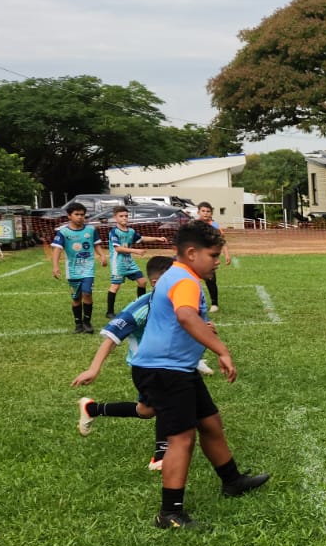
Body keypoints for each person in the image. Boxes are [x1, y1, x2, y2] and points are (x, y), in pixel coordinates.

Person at [129, 220, 268, 529]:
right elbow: (185, 315)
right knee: (181, 438)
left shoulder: (178, 275)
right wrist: (221, 349)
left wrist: (202, 330)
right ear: (191, 253)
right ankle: (170, 513)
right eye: (213, 255)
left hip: (175, 368)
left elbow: (182, 319)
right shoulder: (185, 280)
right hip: (164, 371)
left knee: (210, 422)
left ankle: (232, 481)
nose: (217, 262)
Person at [73, 255, 176, 469]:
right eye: (175, 277)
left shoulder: (175, 302)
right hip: (147, 368)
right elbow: (111, 337)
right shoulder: (143, 306)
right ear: (157, 283)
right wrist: (94, 368)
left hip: (163, 365)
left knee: (146, 411)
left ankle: (92, 409)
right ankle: (160, 456)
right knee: (167, 403)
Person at [51, 204, 99, 333]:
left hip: (88, 267)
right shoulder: (63, 232)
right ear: (69, 216)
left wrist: (102, 256)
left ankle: (87, 322)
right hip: (72, 270)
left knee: (87, 293)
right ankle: (78, 324)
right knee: (76, 298)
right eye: (76, 214)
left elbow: (96, 244)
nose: (80, 217)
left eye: (82, 215)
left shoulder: (91, 230)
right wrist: (55, 266)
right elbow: (57, 250)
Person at [104, 206, 151, 318]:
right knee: (115, 286)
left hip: (129, 262)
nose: (124, 218)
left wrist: (157, 239)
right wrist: (136, 251)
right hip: (118, 263)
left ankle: (140, 306)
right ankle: (109, 312)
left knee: (142, 282)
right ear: (115, 218)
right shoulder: (114, 232)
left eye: (126, 216)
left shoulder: (131, 231)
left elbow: (141, 238)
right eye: (121, 216)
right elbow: (118, 248)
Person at [196, 202, 227, 312]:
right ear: (198, 212)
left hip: (208, 257)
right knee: (192, 279)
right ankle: (194, 303)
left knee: (210, 279)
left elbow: (221, 241)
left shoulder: (215, 226)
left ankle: (214, 304)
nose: (205, 213)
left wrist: (226, 254)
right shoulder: (194, 225)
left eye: (208, 211)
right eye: (203, 211)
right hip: (195, 257)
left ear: (211, 213)